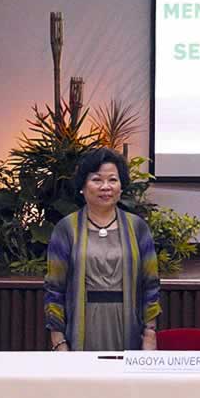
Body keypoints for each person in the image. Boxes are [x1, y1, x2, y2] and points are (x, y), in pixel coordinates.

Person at [44, 148, 161, 351]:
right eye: (97, 180)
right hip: (81, 327)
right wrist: (58, 341)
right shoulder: (66, 228)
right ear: (82, 186)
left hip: (127, 327)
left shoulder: (137, 227)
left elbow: (150, 285)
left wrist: (150, 335)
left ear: (121, 186)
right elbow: (55, 288)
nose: (105, 187)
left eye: (113, 180)